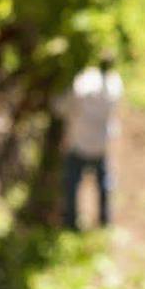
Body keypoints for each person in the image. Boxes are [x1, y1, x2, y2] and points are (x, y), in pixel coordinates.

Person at [54, 62, 124, 228]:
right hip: (101, 143)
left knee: (72, 184)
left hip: (78, 142)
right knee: (104, 184)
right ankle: (104, 221)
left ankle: (71, 222)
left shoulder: (80, 85)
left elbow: (60, 107)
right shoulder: (114, 85)